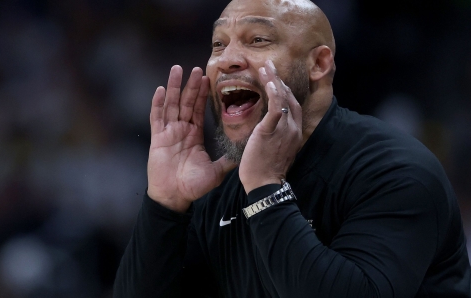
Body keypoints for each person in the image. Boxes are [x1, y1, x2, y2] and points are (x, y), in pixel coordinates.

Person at [114, 0, 471, 297]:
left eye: (257, 39)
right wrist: (165, 205)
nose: (227, 59)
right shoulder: (220, 189)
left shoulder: (397, 172)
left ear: (318, 64)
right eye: (219, 44)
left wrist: (266, 190)